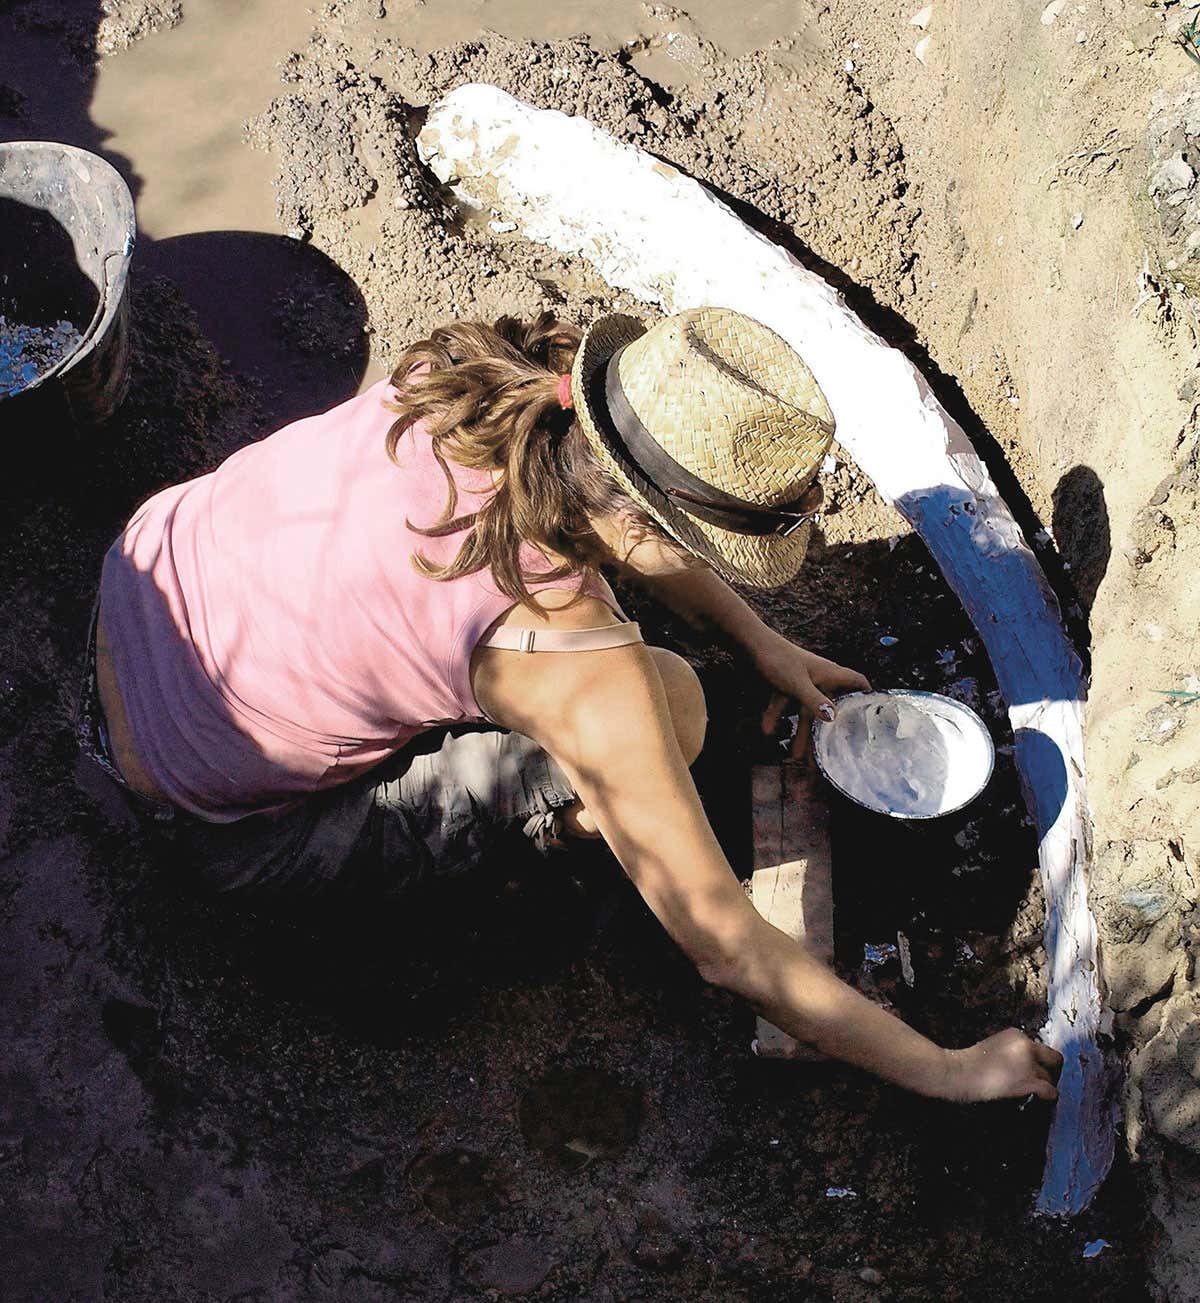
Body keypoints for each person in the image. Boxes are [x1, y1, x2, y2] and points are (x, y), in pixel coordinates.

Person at [77, 304, 1062, 1106]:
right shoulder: (573, 660)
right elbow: (727, 948)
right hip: (219, 819)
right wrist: (951, 1070)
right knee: (673, 707)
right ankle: (489, 883)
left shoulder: (478, 380)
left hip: (140, 586)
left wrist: (761, 642)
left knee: (627, 675)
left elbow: (629, 520)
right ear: (640, 517)